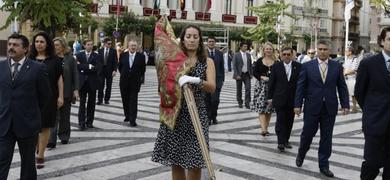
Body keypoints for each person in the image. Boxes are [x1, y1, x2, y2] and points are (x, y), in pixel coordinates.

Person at [152, 24, 216, 180]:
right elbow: (163, 85)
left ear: (200, 40)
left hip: (197, 113)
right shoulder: (174, 61)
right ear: (183, 39)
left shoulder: (207, 61)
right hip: (177, 113)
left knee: (195, 161)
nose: (192, 40)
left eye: (195, 36)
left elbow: (212, 87)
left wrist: (195, 80)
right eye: (188, 36)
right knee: (177, 160)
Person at [294, 40, 349, 177]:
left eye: (325, 49)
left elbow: (342, 86)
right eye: (320, 49)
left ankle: (324, 165)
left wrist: (345, 104)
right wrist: (297, 105)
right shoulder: (307, 66)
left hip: (329, 107)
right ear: (316, 50)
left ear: (329, 50)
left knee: (326, 137)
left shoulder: (337, 67)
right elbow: (300, 86)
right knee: (307, 134)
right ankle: (301, 153)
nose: (323, 51)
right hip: (312, 106)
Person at [0, 33, 51, 180]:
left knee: (28, 164)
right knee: (2, 160)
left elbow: (45, 96)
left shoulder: (37, 68)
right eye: (9, 44)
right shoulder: (1, 67)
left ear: (25, 49)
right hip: (4, 124)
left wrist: (32, 114)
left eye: (15, 45)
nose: (11, 47)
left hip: (28, 125)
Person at [355, 27, 390, 180]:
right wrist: (371, 112)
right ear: (382, 41)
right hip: (375, 123)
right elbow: (359, 93)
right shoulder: (368, 64)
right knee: (372, 164)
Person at [29, 32, 64, 169]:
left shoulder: (54, 60)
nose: (39, 44)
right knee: (32, 126)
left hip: (49, 98)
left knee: (45, 126)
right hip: (31, 98)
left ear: (47, 43)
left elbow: (59, 79)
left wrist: (60, 96)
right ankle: (36, 148)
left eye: (42, 42)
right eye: (37, 41)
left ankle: (41, 154)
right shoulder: (29, 58)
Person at [48, 37, 80, 148]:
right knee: (53, 116)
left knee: (65, 116)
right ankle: (51, 139)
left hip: (67, 91)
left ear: (63, 46)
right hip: (52, 92)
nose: (55, 47)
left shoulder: (70, 59)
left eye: (57, 45)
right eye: (54, 45)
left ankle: (64, 136)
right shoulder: (50, 58)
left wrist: (76, 90)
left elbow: (75, 75)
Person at [267, 47, 301, 151]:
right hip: (279, 98)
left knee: (289, 121)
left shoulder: (298, 66)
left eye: (288, 54)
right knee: (280, 120)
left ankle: (286, 140)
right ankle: (280, 141)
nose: (286, 56)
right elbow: (271, 83)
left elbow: (301, 84)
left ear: (292, 55)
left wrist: (300, 100)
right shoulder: (276, 66)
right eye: (284, 54)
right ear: (281, 55)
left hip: (292, 99)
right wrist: (270, 98)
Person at [118, 40, 146, 127]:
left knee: (133, 101)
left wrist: (139, 79)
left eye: (135, 45)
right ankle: (127, 115)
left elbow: (143, 70)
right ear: (128, 46)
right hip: (124, 81)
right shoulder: (123, 55)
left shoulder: (141, 57)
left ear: (136, 47)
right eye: (131, 45)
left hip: (135, 82)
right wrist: (125, 73)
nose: (133, 47)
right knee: (125, 100)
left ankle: (132, 119)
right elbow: (120, 67)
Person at [76, 39, 102, 130]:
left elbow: (97, 68)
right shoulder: (78, 55)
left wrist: (83, 67)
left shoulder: (97, 55)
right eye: (88, 44)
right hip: (82, 82)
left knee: (91, 104)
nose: (90, 46)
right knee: (82, 104)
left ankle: (89, 122)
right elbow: (77, 67)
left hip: (93, 82)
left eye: (91, 44)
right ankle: (81, 123)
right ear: (84, 45)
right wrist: (88, 66)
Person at [252, 42, 276, 136]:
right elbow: (254, 72)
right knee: (261, 108)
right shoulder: (259, 61)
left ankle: (266, 127)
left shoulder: (277, 61)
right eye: (267, 49)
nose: (268, 50)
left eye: (270, 49)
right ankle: (263, 129)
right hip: (261, 87)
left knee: (269, 108)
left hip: (272, 87)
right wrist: (262, 77)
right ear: (264, 50)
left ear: (272, 50)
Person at [206, 36, 224, 125]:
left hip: (217, 80)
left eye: (213, 41)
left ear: (215, 43)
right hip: (206, 81)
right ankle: (208, 117)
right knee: (207, 100)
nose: (211, 43)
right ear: (207, 43)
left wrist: (222, 80)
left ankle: (214, 116)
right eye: (209, 41)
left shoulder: (219, 54)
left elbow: (222, 67)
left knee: (215, 100)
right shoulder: (203, 53)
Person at [97, 38, 117, 105]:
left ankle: (106, 99)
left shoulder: (113, 51)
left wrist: (114, 70)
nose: (110, 45)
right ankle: (100, 100)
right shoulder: (100, 50)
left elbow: (115, 61)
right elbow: (98, 61)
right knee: (100, 86)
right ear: (105, 44)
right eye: (108, 43)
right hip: (101, 71)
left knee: (109, 86)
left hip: (109, 71)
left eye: (111, 44)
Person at [232, 42, 252, 109]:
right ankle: (240, 102)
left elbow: (250, 65)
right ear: (241, 47)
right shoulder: (236, 55)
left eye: (246, 46)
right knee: (239, 89)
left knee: (248, 88)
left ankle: (247, 102)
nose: (245, 48)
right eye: (244, 46)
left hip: (247, 74)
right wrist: (236, 74)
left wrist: (251, 74)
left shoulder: (248, 55)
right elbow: (234, 65)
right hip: (239, 74)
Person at [343, 46, 360, 113]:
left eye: (346, 51)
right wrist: (343, 74)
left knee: (353, 94)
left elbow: (354, 70)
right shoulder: (347, 59)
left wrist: (345, 73)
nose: (345, 52)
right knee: (345, 93)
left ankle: (355, 107)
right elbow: (344, 67)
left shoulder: (355, 59)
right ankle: (345, 106)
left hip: (352, 79)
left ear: (350, 52)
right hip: (346, 78)